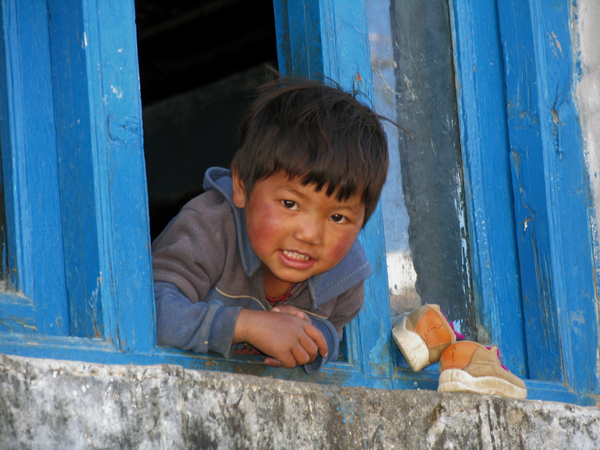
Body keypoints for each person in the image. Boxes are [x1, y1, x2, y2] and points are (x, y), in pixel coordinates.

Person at [151, 77, 389, 373]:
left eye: (338, 217)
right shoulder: (209, 226)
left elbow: (334, 333)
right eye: (290, 204)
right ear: (242, 185)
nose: (309, 234)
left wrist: (311, 334)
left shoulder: (346, 277)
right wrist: (246, 325)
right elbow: (150, 311)